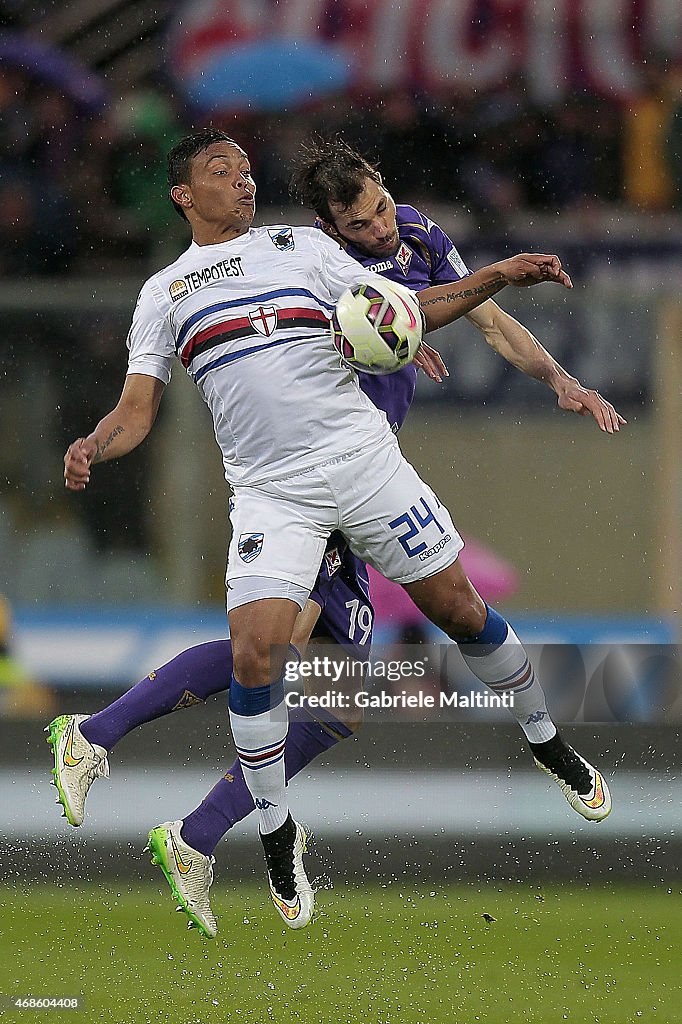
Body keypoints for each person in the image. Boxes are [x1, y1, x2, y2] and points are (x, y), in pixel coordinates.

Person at [52, 129, 622, 935]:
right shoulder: (164, 293)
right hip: (272, 495)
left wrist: (495, 278)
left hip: (362, 462)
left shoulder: (299, 249)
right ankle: (251, 824)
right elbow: (136, 410)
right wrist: (95, 444)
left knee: (442, 622)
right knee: (266, 655)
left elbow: (403, 310)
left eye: (248, 171)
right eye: (222, 173)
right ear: (182, 194)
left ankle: (545, 738)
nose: (243, 183)